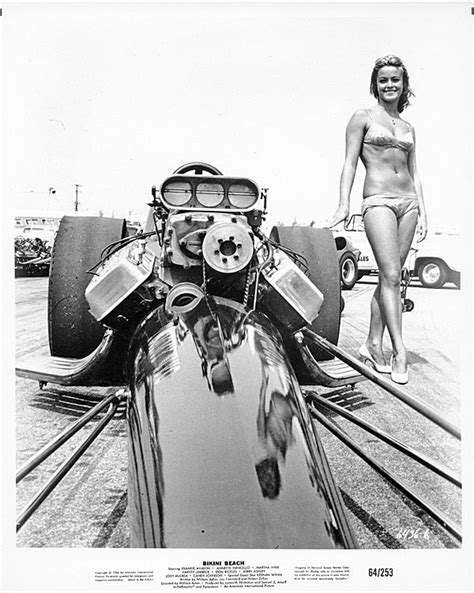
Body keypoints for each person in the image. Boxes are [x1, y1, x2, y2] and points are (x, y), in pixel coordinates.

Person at [329, 55, 427, 384]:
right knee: (390, 275)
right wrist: (343, 204)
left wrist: (423, 210)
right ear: (376, 83)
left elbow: (415, 172)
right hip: (379, 200)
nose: (389, 85)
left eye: (395, 80)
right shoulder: (363, 117)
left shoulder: (409, 127)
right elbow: (349, 164)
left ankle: (372, 343)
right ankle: (399, 350)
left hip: (408, 202)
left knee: (394, 279)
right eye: (383, 79)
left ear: (404, 84)